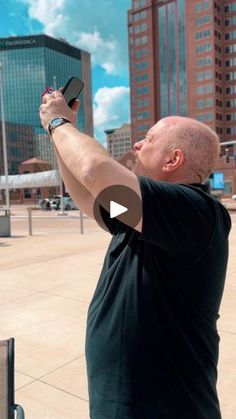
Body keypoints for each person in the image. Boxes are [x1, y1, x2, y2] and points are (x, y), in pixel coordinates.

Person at [39, 90, 231, 419]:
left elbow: (96, 173)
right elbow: (88, 194)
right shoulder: (144, 217)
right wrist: (59, 135)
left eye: (149, 139)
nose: (138, 146)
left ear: (173, 160)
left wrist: (58, 122)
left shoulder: (196, 213)